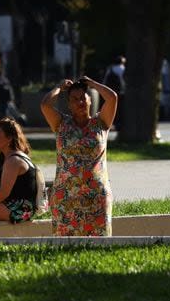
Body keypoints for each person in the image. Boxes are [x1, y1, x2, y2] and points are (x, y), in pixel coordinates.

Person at [41, 76, 117, 236]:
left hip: (96, 197)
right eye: (74, 99)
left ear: (90, 100)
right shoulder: (61, 124)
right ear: (69, 105)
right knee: (64, 248)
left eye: (83, 97)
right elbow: (45, 105)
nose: (80, 102)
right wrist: (59, 87)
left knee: (99, 246)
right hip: (65, 198)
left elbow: (112, 98)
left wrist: (93, 83)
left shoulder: (101, 123)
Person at [103, 55, 126, 130]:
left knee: (113, 108)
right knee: (121, 109)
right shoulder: (124, 69)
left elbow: (105, 81)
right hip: (121, 92)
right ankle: (121, 124)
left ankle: (113, 123)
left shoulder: (111, 69)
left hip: (111, 92)